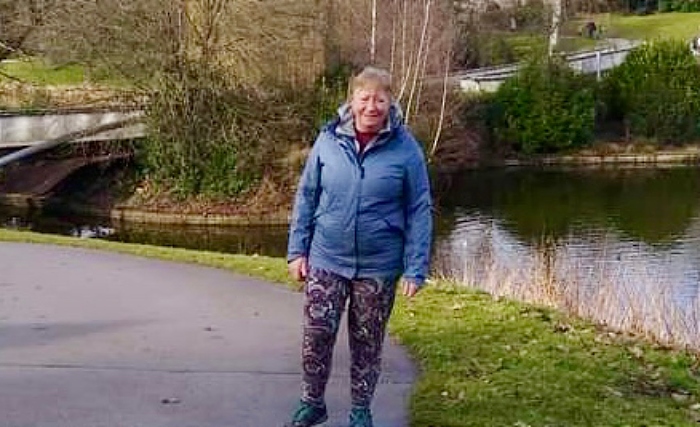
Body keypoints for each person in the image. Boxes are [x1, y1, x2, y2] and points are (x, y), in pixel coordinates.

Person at [285, 66, 433, 427]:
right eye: (364, 98)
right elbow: (307, 195)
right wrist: (297, 249)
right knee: (317, 336)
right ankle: (312, 403)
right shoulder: (328, 139)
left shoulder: (406, 148)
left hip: (378, 265)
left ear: (390, 103)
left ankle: (360, 411)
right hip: (326, 258)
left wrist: (416, 266)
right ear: (352, 101)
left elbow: (419, 208)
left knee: (367, 343)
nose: (372, 106)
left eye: (380, 99)